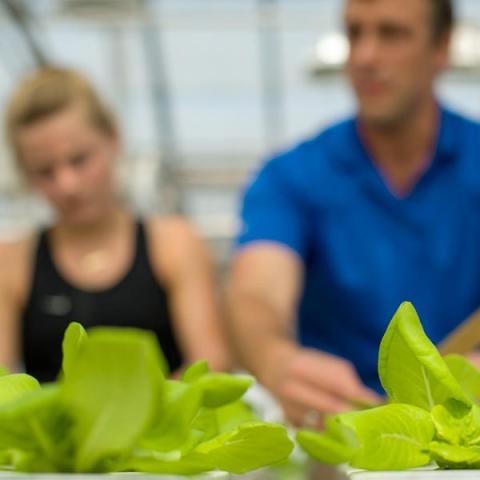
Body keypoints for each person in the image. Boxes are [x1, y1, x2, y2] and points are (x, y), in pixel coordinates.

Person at [227, 0, 480, 427]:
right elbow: (256, 293)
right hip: (337, 436)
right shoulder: (292, 177)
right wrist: (274, 356)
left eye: (392, 34)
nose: (364, 56)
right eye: (354, 33)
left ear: (441, 48)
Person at [0, 66, 232, 382]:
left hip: (166, 430)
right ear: (26, 174)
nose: (67, 184)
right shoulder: (13, 263)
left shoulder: (174, 243)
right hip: (53, 432)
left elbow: (211, 362)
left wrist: (139, 414)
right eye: (45, 171)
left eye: (80, 160)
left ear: (113, 140)